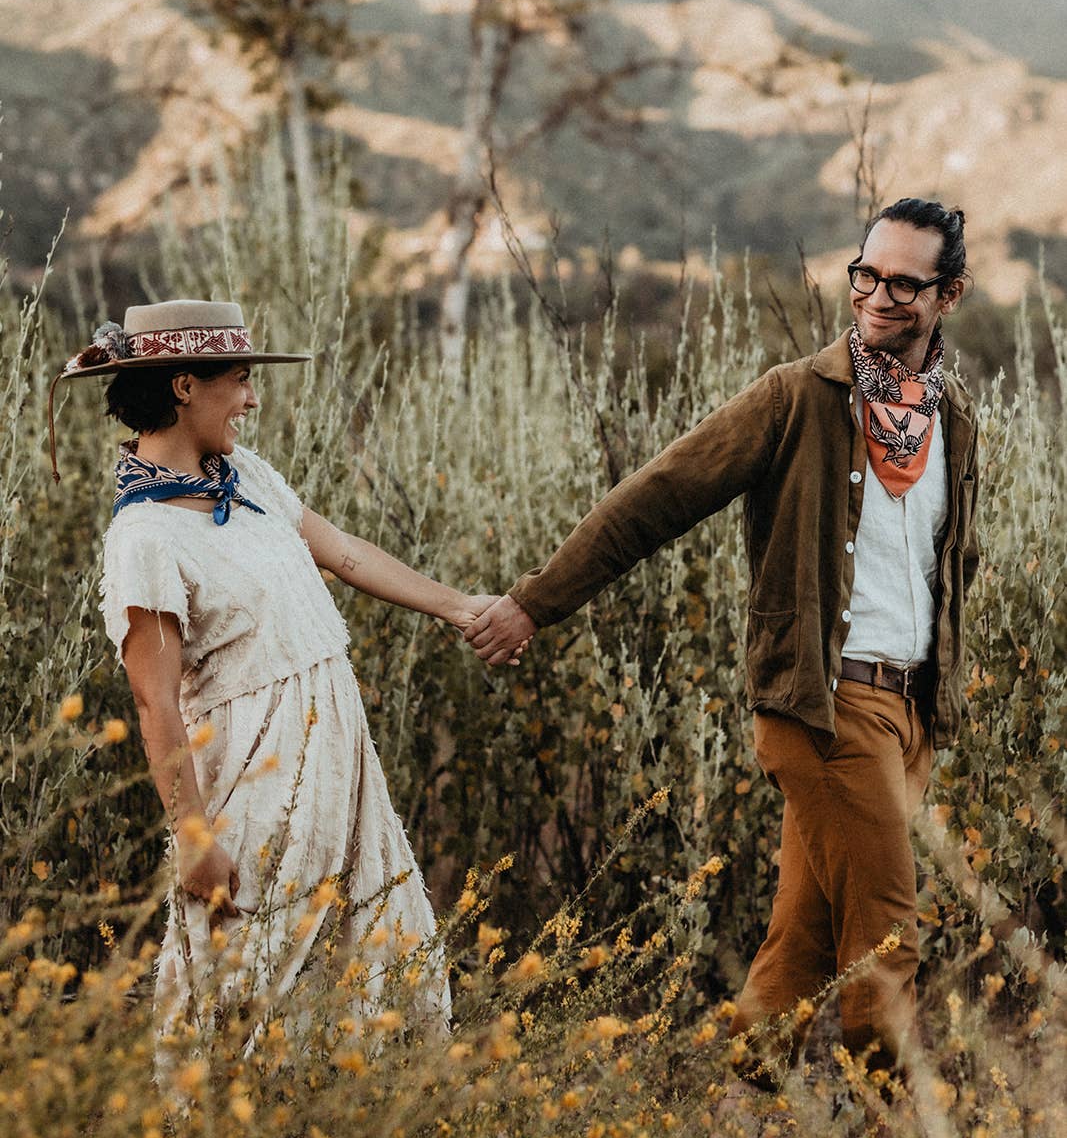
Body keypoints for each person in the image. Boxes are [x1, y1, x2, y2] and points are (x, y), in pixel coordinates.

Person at [465, 199, 980, 1085]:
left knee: (806, 932)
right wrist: (533, 604)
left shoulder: (954, 422)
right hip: (824, 705)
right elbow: (653, 500)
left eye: (904, 282)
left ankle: (736, 1095)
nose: (878, 295)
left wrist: (942, 702)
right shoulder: (796, 398)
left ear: (949, 294)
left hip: (909, 713)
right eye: (866, 274)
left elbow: (950, 571)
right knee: (889, 930)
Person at [53, 298, 503, 1068]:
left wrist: (462, 607)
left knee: (378, 965)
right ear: (185, 386)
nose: (252, 399)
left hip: (340, 774)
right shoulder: (145, 538)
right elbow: (154, 700)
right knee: (255, 990)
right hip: (256, 786)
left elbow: (347, 554)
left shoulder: (248, 477)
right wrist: (193, 839)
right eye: (238, 380)